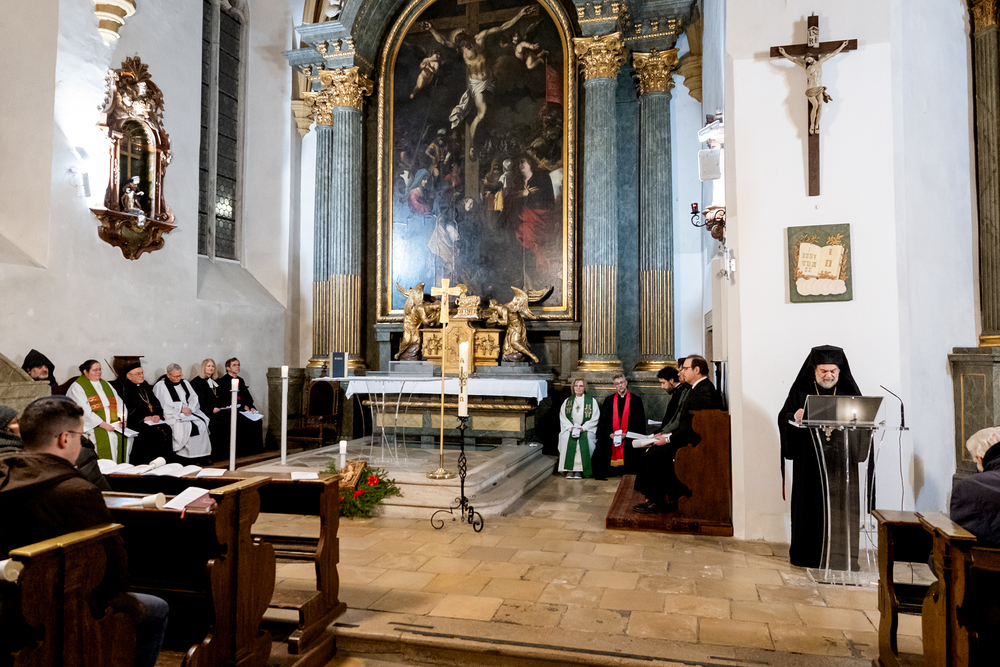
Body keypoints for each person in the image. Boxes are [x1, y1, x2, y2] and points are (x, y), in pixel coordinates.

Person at [0, 396, 168, 667]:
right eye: (80, 435)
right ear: (64, 439)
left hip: (5, 597)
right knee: (156, 608)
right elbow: (114, 569)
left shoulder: (5, 474)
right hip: (54, 604)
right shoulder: (77, 491)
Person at [777, 345, 870, 569]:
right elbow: (784, 416)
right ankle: (806, 556)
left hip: (841, 463)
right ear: (814, 370)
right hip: (809, 462)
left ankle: (841, 558)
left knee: (841, 511)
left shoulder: (848, 390)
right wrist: (795, 415)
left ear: (840, 370)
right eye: (823, 371)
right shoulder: (801, 389)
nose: (828, 375)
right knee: (810, 509)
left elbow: (864, 421)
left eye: (833, 371)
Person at [422, 6, 534, 153]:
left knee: (495, 107)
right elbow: (443, 41)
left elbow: (502, 27)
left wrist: (519, 14)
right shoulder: (461, 48)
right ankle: (472, 146)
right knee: (482, 112)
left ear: (467, 36)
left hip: (490, 79)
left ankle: (487, 139)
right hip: (476, 84)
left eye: (462, 40)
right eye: (459, 42)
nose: (461, 44)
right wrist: (432, 29)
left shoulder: (480, 38)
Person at [634, 355, 723, 514]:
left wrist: (668, 438)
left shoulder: (703, 392)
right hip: (690, 438)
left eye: (685, 368)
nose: (681, 372)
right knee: (653, 451)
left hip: (697, 444)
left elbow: (690, 427)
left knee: (653, 455)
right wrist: (666, 436)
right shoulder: (697, 389)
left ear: (696, 370)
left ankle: (658, 501)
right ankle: (657, 498)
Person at [66, 360, 127, 463]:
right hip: (92, 425)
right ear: (85, 372)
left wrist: (122, 419)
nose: (99, 372)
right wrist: (102, 423)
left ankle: (122, 468)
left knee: (124, 437)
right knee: (109, 437)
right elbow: (82, 410)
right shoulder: (78, 387)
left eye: (100, 369)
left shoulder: (106, 384)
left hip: (112, 423)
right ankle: (107, 469)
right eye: (95, 370)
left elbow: (119, 402)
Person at [113, 360, 173, 465]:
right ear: (129, 376)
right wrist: (143, 418)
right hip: (135, 421)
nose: (141, 376)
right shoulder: (124, 389)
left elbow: (155, 402)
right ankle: (146, 462)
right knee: (152, 432)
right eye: (138, 374)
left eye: (142, 373)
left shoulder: (145, 385)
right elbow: (126, 409)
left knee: (167, 428)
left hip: (151, 420)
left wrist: (157, 414)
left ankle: (164, 461)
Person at [154, 364, 212, 462]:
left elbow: (194, 398)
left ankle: (201, 456)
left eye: (180, 375)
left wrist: (190, 408)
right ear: (168, 375)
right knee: (186, 426)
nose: (179, 378)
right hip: (173, 414)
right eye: (176, 376)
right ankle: (185, 457)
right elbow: (163, 404)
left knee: (201, 424)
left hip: (189, 412)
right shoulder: (161, 386)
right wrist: (180, 409)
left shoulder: (185, 383)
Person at [594, 374, 647, 479]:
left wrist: (626, 434)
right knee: (602, 445)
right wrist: (610, 434)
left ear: (626, 383)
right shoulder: (609, 400)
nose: (620, 385)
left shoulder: (636, 400)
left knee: (631, 446)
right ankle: (607, 472)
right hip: (612, 434)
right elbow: (603, 420)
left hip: (629, 434)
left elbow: (639, 421)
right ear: (614, 386)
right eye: (617, 384)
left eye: (622, 382)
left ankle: (628, 472)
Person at [214, 358, 263, 456]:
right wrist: (241, 407)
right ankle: (240, 451)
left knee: (257, 420)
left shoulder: (241, 380)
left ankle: (255, 450)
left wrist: (250, 406)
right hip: (231, 410)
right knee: (240, 421)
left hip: (243, 408)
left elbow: (247, 396)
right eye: (234, 365)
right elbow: (225, 399)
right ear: (228, 368)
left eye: (238, 364)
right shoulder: (223, 381)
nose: (237, 367)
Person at [557, 378, 600, 479]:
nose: (578, 388)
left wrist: (583, 428)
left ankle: (580, 470)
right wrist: (570, 427)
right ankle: (569, 469)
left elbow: (595, 418)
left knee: (586, 438)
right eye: (576, 386)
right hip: (571, 428)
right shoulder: (567, 401)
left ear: (585, 387)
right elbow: (563, 417)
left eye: (581, 386)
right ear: (573, 387)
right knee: (566, 437)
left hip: (586, 429)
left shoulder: (591, 401)